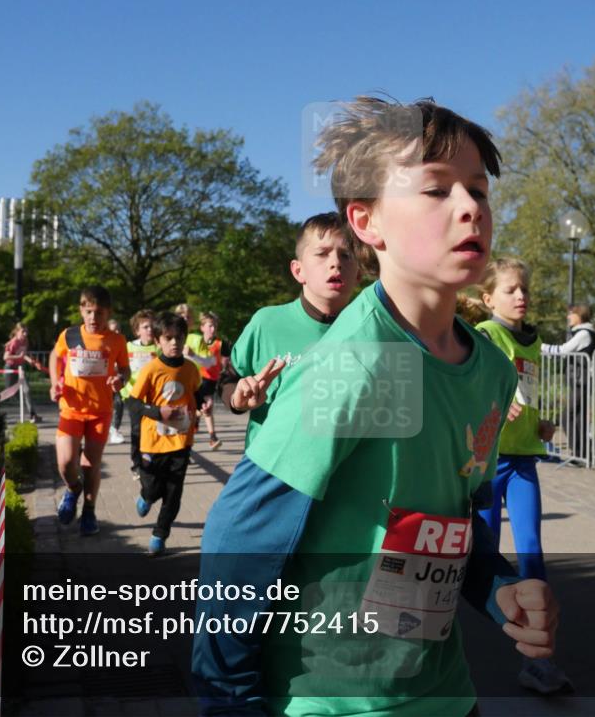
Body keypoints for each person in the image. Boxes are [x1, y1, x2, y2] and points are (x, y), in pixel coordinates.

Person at [192, 96, 559, 717]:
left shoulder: (491, 370)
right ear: (367, 222)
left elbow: (449, 525)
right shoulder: (354, 364)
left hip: (444, 694)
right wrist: (229, 700)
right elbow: (238, 541)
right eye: (437, 190)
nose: (471, 207)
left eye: (479, 189)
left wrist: (499, 592)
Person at [475, 257, 573, 694]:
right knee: (481, 556)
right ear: (487, 298)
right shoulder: (484, 335)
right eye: (511, 290)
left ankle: (538, 661)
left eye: (524, 290)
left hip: (523, 460)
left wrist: (539, 424)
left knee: (532, 551)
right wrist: (492, 404)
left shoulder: (531, 344)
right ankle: (440, 648)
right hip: (485, 461)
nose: (521, 296)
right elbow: (471, 391)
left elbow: (524, 396)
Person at [218, 211, 360, 450]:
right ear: (298, 271)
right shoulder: (267, 322)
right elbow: (227, 378)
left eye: (346, 255)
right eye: (322, 253)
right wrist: (237, 399)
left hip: (341, 475)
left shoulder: (372, 329)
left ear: (359, 273)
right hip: (270, 468)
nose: (335, 262)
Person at [49, 286, 130, 536]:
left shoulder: (116, 340)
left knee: (90, 464)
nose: (94, 318)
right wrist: (55, 382)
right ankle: (73, 489)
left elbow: (125, 370)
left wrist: (120, 380)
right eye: (89, 312)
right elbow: (55, 356)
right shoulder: (70, 334)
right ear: (81, 311)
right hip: (71, 409)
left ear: (108, 313)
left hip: (100, 411)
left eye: (99, 313)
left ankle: (89, 511)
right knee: (65, 464)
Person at [127, 312, 207, 555]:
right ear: (159, 341)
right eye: (169, 338)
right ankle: (146, 496)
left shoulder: (191, 369)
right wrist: (156, 412)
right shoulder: (152, 369)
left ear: (185, 339)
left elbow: (198, 393)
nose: (174, 343)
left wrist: (205, 403)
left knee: (174, 493)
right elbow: (133, 403)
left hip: (181, 440)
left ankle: (159, 535)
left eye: (179, 338)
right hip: (153, 442)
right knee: (154, 488)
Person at [540, 304, 595, 462]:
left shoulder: (584, 333)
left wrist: (538, 345)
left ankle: (580, 454)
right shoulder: (582, 332)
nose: (568, 317)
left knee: (567, 417)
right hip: (580, 380)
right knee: (577, 417)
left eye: (571, 314)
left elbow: (564, 350)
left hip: (582, 381)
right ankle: (583, 454)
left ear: (580, 316)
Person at [121, 309, 159, 476]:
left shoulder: (159, 348)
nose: (149, 330)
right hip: (133, 395)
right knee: (136, 429)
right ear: (137, 330)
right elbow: (121, 367)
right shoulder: (128, 347)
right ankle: (136, 464)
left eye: (151, 326)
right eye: (145, 327)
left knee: (154, 429)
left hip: (153, 396)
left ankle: (152, 459)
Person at [185, 311, 230, 450]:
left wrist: (225, 367)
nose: (213, 329)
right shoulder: (193, 341)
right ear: (202, 328)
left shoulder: (220, 343)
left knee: (205, 408)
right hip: (196, 378)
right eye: (210, 326)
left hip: (210, 379)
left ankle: (200, 421)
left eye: (215, 326)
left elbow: (223, 361)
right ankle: (212, 437)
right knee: (207, 407)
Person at [2, 322, 41, 423]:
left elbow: (23, 354)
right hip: (10, 368)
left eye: (26, 332)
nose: (25, 334)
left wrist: (30, 361)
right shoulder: (13, 342)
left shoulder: (25, 341)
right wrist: (18, 357)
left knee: (27, 390)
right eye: (23, 331)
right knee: (9, 393)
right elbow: (5, 357)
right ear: (17, 332)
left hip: (20, 368)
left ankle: (33, 414)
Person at [106, 318, 127, 444]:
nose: (117, 331)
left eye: (119, 329)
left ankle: (114, 429)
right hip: (103, 382)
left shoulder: (122, 344)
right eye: (114, 330)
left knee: (119, 403)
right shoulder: (103, 344)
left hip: (117, 381)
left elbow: (125, 366)